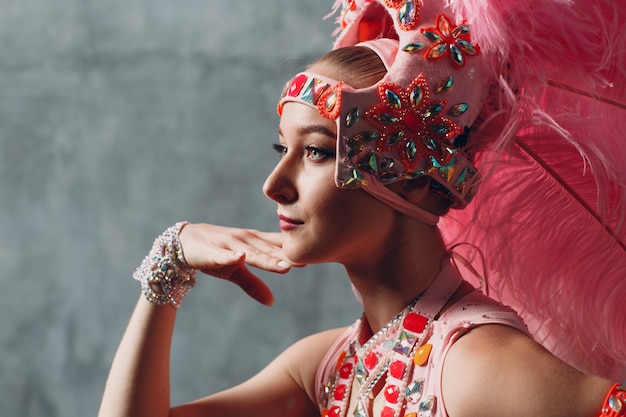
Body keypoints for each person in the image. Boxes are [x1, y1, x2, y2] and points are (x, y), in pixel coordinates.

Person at [99, 0, 626, 416]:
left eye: (316, 152)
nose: (274, 185)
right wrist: (168, 263)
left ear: (416, 184)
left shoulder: (474, 366)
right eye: (282, 150)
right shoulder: (331, 368)